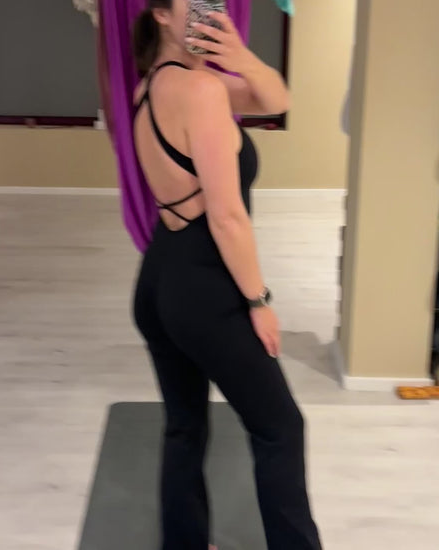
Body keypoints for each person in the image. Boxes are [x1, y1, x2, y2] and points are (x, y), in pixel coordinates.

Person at [130, 1, 322, 549]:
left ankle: (185, 542)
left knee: (185, 424)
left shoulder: (154, 85)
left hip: (159, 280)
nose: (207, 9)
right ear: (161, 14)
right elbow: (227, 217)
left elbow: (276, 99)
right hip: (203, 287)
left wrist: (241, 56)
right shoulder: (201, 91)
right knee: (280, 428)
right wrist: (258, 300)